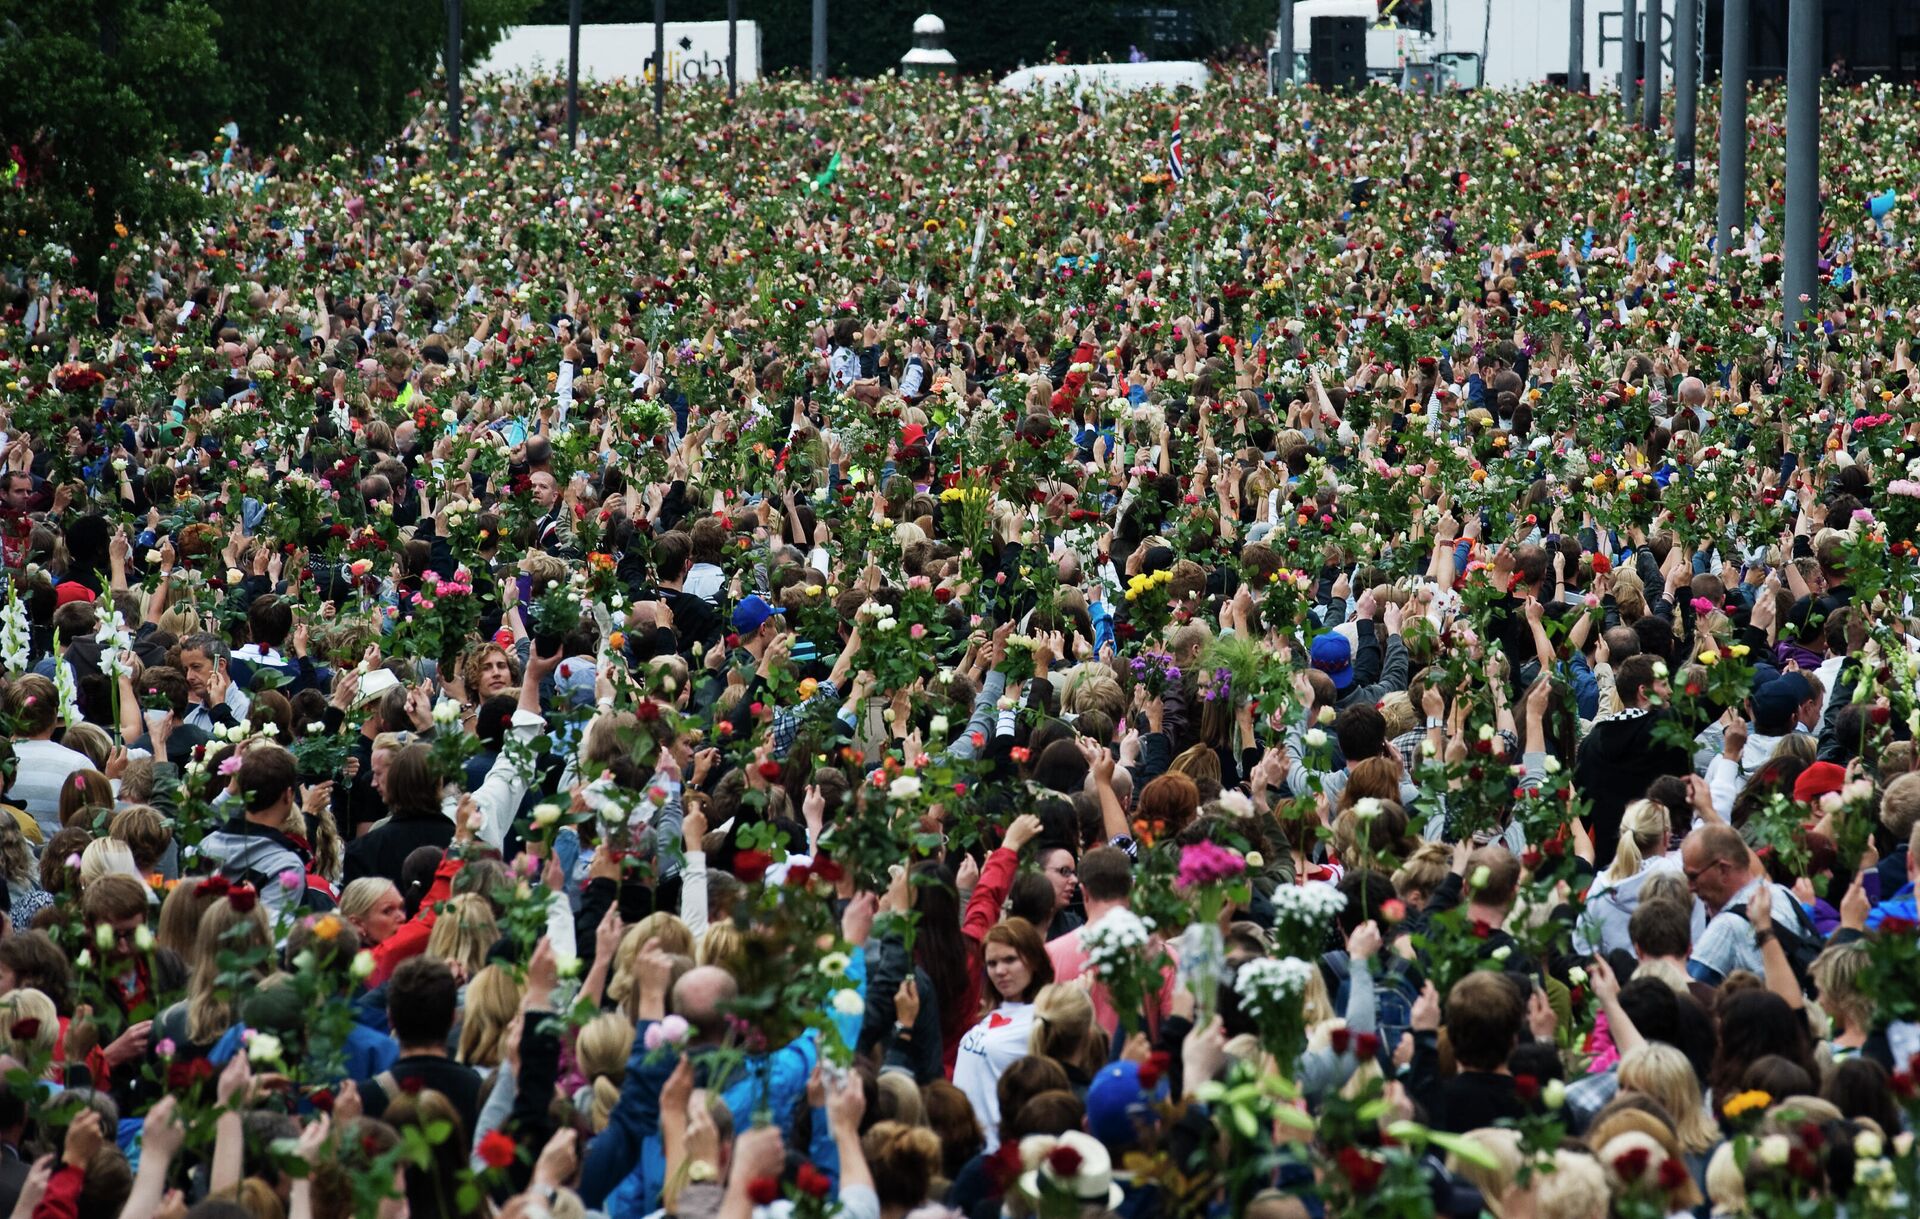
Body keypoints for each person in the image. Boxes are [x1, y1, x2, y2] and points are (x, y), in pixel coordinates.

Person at [954, 917, 1054, 1152]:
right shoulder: (991, 1014)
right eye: (992, 963)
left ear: (1034, 960)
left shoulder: (1043, 1019)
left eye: (1010, 960)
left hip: (998, 1150)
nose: (1000, 971)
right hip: (963, 1146)